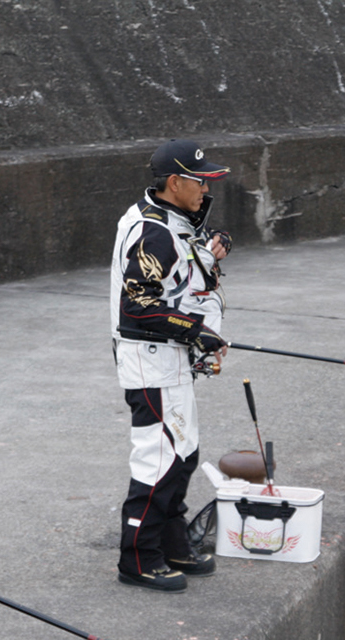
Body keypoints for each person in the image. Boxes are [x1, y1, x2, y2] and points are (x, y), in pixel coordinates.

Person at [109, 139, 233, 592]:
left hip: (169, 359)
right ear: (175, 182)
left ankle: (173, 544)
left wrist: (209, 251)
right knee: (158, 461)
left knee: (183, 454)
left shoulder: (169, 220)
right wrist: (194, 329)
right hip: (151, 363)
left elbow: (175, 272)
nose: (207, 188)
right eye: (199, 181)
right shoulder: (153, 231)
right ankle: (138, 559)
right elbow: (136, 308)